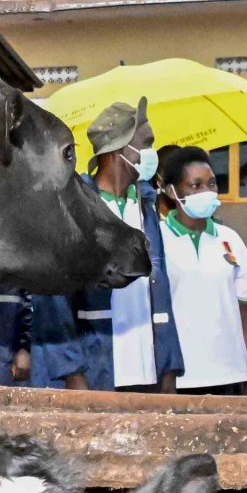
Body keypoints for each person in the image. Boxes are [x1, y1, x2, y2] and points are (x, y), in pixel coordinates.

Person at [29, 99, 179, 391]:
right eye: (146, 143)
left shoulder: (146, 207)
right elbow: (51, 299)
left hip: (148, 371)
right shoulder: (75, 208)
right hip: (97, 368)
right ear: (118, 150)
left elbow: (161, 292)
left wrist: (168, 367)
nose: (151, 153)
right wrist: (72, 372)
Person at [153, 147, 247, 394]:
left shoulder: (230, 239)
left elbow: (243, 312)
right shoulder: (157, 241)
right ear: (172, 192)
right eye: (195, 185)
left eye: (211, 184)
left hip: (231, 374)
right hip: (180, 378)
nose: (206, 192)